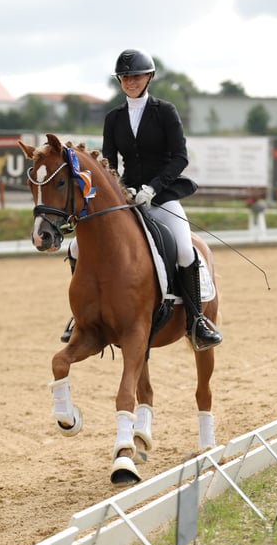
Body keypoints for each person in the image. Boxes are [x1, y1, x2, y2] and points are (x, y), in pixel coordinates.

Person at [61, 48, 222, 350]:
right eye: (125, 77)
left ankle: (196, 320)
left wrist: (152, 188)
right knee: (75, 246)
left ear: (148, 77)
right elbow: (107, 162)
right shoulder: (114, 118)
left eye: (135, 76)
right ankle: (82, 316)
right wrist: (120, 190)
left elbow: (179, 157)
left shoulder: (165, 112)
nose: (130, 81)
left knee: (186, 251)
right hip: (126, 197)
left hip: (161, 195)